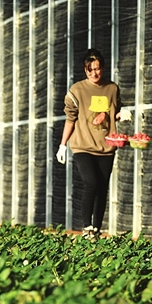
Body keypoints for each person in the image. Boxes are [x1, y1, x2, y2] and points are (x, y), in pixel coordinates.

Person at [57, 48, 122, 239]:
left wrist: (121, 116)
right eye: (90, 69)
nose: (95, 73)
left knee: (102, 187)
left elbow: (113, 114)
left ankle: (96, 227)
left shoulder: (112, 89)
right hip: (83, 146)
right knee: (90, 182)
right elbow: (70, 119)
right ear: (85, 70)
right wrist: (63, 145)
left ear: (103, 68)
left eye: (98, 69)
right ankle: (86, 226)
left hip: (106, 146)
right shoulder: (77, 90)